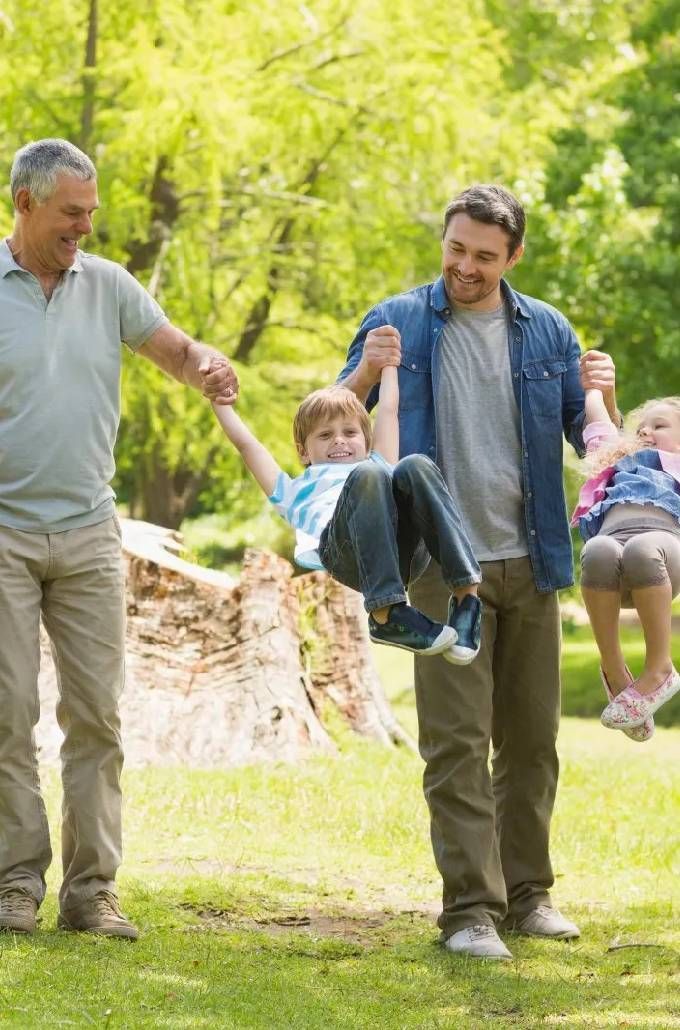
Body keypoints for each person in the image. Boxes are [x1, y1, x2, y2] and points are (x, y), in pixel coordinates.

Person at [338, 184, 619, 960]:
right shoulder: (397, 321)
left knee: (530, 742)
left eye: (484, 257)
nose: (465, 266)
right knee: (457, 743)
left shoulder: (548, 332)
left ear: (514, 256)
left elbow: (596, 449)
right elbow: (331, 428)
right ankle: (468, 910)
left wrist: (606, 399)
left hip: (529, 560)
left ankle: (530, 897)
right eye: (456, 249)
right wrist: (364, 373)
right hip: (438, 565)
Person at [0, 139, 238, 939]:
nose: (86, 228)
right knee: (6, 714)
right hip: (2, 532)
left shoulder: (108, 286)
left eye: (92, 213)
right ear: (26, 205)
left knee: (97, 716)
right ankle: (15, 883)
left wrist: (207, 367)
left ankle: (92, 889)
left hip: (88, 535)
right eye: (73, 213)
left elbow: (174, 350)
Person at [210, 364, 483, 661]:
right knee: (369, 475)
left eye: (350, 432)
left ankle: (467, 597)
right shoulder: (294, 491)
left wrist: (389, 364)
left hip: (403, 552)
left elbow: (389, 409)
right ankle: (385, 614)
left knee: (415, 464)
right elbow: (248, 446)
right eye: (325, 435)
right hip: (347, 557)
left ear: (365, 441)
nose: (339, 440)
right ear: (303, 452)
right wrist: (219, 403)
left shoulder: (378, 461)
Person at [572, 390, 680, 738]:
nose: (646, 431)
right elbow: (598, 422)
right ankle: (615, 671)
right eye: (641, 427)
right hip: (614, 565)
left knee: (642, 546)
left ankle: (659, 667)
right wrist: (592, 387)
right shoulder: (616, 461)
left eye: (659, 425)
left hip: (666, 554)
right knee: (598, 548)